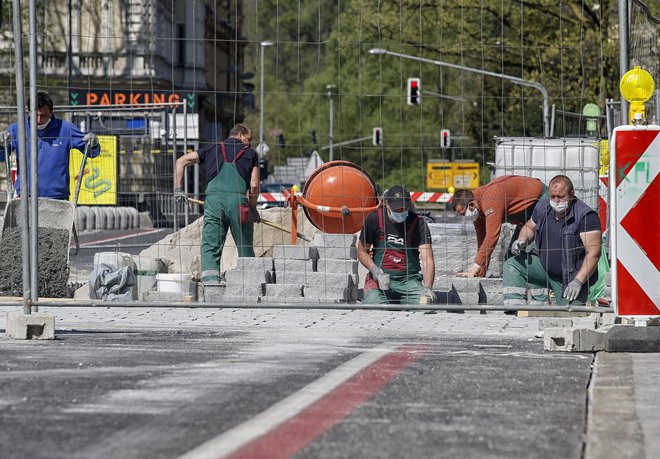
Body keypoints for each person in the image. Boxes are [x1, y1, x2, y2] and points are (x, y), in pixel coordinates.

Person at [174, 124, 260, 285]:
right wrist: (253, 208)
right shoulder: (251, 154)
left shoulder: (211, 148)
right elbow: (254, 185)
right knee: (245, 243)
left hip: (214, 203)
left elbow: (181, 161)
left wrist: (178, 190)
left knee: (211, 245)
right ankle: (249, 283)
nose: (249, 143)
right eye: (249, 139)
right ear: (241, 135)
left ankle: (211, 284)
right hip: (240, 204)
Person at [502, 175, 601, 306]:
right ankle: (514, 310)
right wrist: (522, 239)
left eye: (561, 197)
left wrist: (578, 281)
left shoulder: (586, 216)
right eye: (553, 196)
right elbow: (530, 226)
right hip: (544, 268)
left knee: (571, 315)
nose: (556, 201)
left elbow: (594, 253)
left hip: (571, 278)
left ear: (572, 194)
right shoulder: (543, 207)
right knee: (512, 265)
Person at [0, 91, 100, 199]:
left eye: (43, 115)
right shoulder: (17, 129)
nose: (38, 120)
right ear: (28, 112)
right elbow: (1, 156)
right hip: (25, 197)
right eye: (35, 115)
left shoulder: (65, 129)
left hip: (57, 198)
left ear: (51, 112)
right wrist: (1, 145)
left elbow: (91, 152)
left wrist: (93, 144)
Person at [452, 175, 548, 277]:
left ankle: (543, 290)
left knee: (534, 255)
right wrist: (479, 271)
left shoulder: (490, 198)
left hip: (541, 200)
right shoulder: (477, 211)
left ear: (471, 205)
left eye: (463, 214)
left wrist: (476, 266)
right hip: (526, 215)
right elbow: (482, 242)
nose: (464, 218)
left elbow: (492, 236)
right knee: (511, 260)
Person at [357, 185, 436, 304]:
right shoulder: (374, 219)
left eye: (403, 209)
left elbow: (428, 259)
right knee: (373, 306)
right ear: (386, 205)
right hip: (380, 280)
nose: (400, 212)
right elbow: (362, 251)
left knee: (424, 305)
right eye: (396, 210)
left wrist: (428, 287)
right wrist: (374, 270)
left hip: (409, 281)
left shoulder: (418, 223)